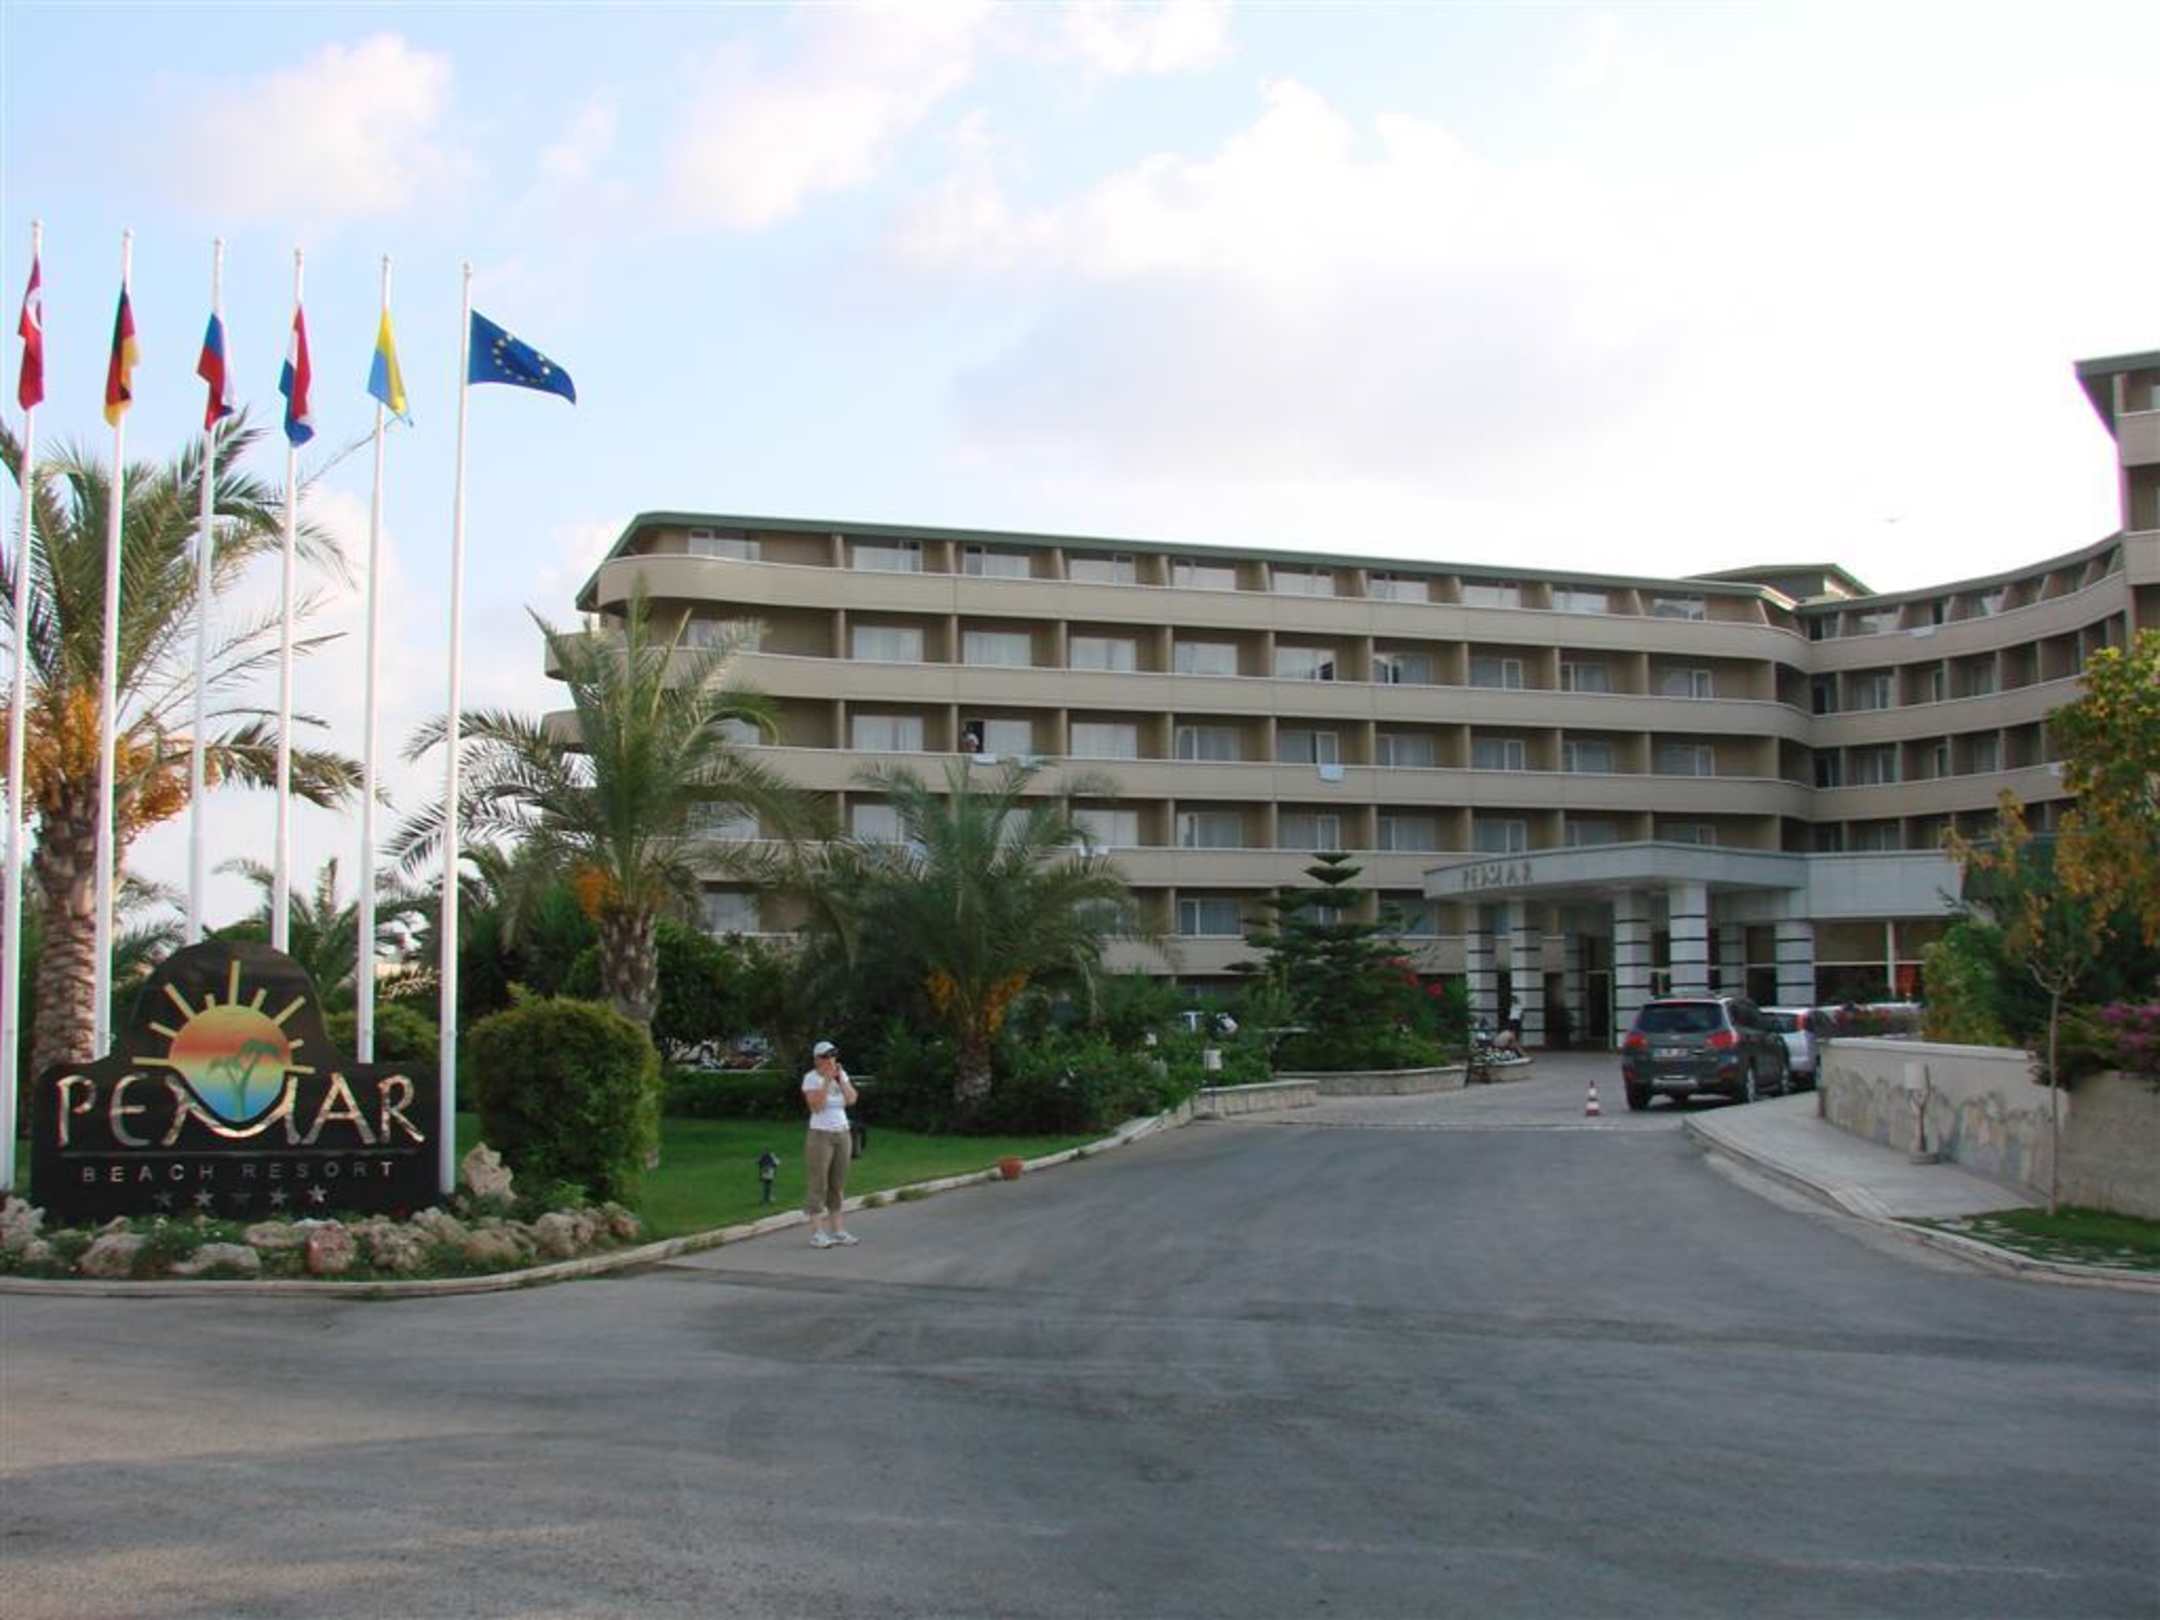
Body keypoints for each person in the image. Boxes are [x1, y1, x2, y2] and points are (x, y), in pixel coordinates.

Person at [801, 1040, 859, 1248]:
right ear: (817, 1059)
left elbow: (851, 1099)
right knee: (819, 1183)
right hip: (820, 1134)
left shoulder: (840, 1075)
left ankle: (838, 1230)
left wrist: (840, 1080)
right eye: (826, 1056)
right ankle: (817, 1232)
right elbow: (816, 1106)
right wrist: (826, 1081)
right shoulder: (811, 1078)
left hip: (841, 1132)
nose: (831, 1060)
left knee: (837, 1183)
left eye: (833, 1056)